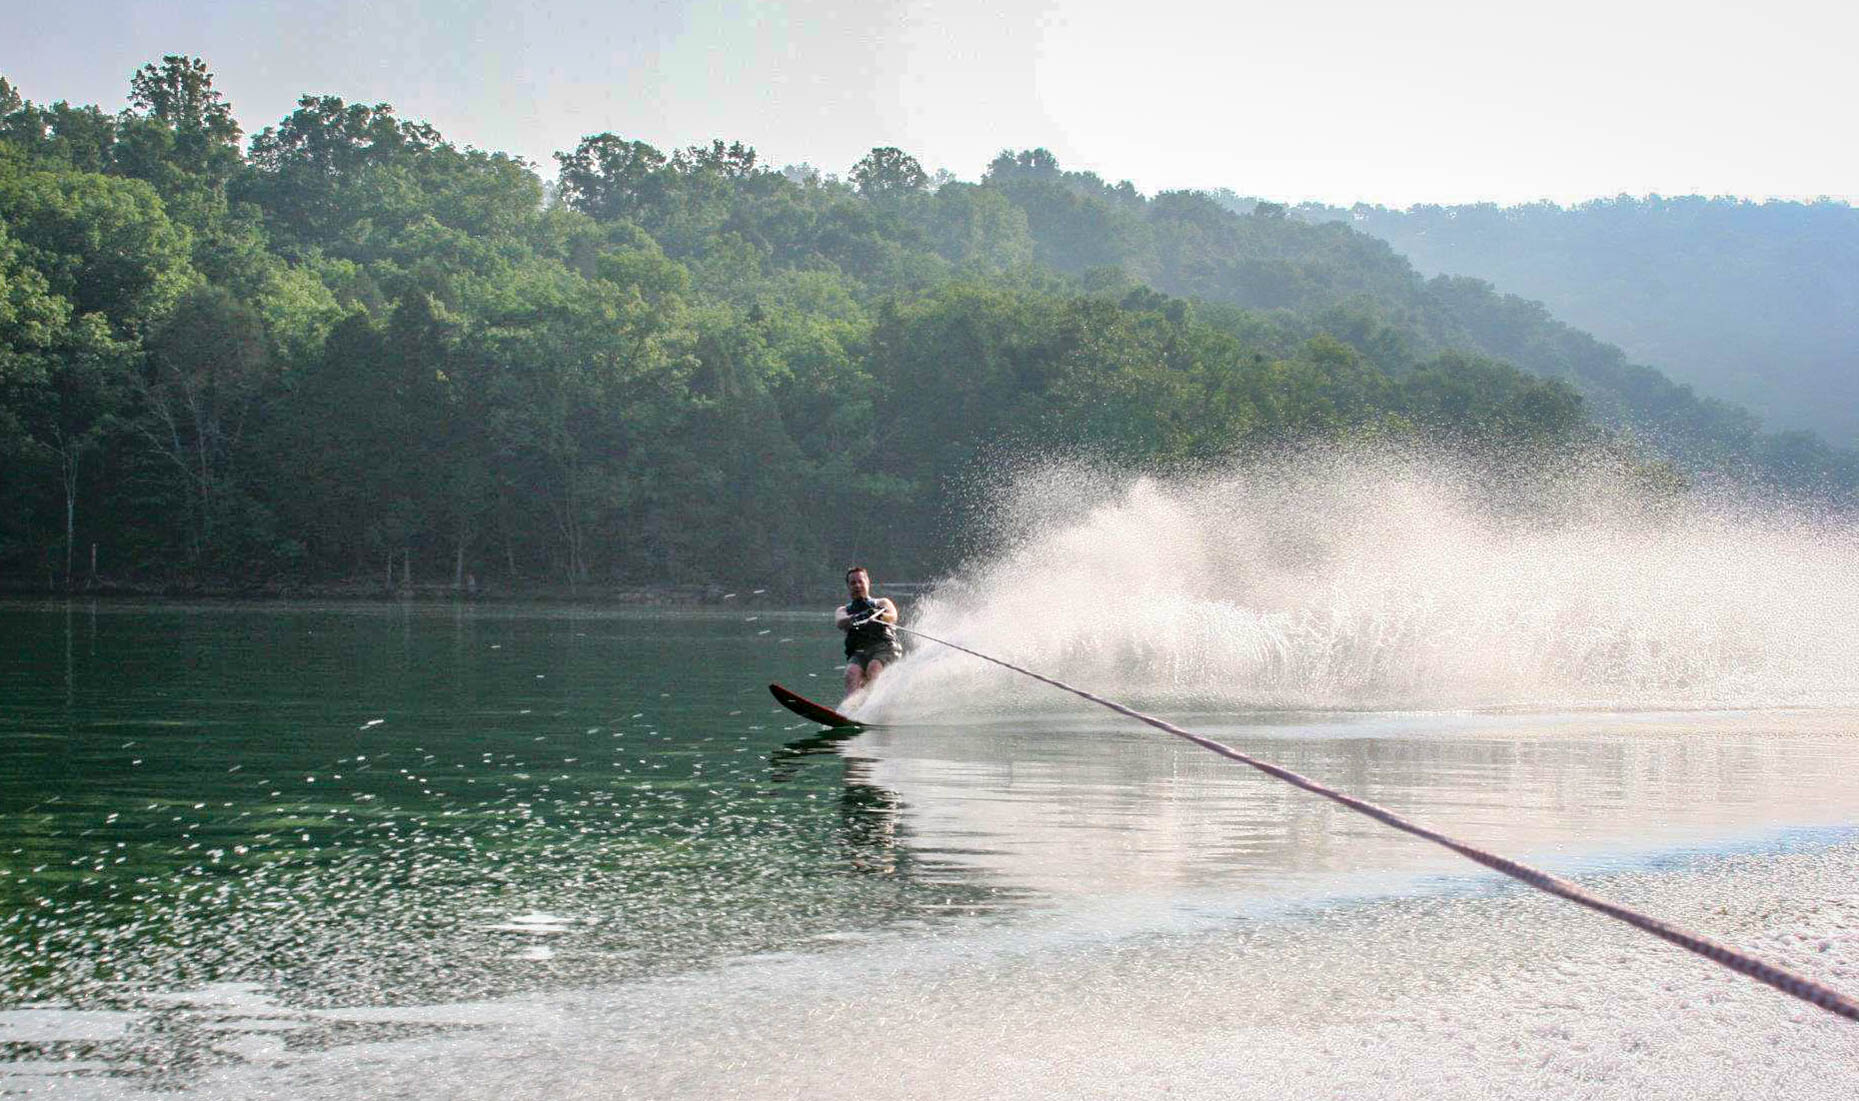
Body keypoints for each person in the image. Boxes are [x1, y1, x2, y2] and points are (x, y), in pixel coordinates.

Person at [835, 566, 900, 699]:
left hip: (885, 649)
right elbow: (840, 622)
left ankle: (873, 709)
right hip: (860, 652)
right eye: (853, 583)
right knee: (851, 673)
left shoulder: (882, 602)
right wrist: (857, 617)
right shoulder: (843, 610)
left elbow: (893, 616)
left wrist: (879, 615)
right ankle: (851, 712)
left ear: (867, 582)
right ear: (848, 586)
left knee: (873, 668)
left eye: (860, 581)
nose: (857, 585)